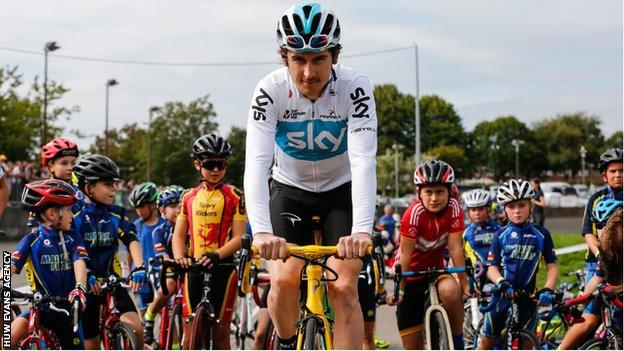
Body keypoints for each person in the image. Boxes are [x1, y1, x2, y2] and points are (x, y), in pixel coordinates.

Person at [243, 2, 378, 349]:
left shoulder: (355, 86)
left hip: (340, 192)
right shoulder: (269, 90)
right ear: (284, 57)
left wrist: (362, 229)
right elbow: (256, 165)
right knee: (284, 280)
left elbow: (363, 160)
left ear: (334, 55)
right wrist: (260, 233)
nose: (308, 72)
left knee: (344, 287)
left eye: (319, 58)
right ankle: (288, 343)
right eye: (297, 59)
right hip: (290, 191)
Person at [172, 133, 246, 350]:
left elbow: (240, 237)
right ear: (197, 165)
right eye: (210, 164)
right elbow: (179, 234)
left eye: (221, 164)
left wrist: (216, 254)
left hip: (223, 267)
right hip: (194, 267)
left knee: (221, 333)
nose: (216, 170)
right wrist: (179, 258)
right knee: (190, 334)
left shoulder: (235, 195)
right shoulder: (188, 197)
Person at [387, 160, 468, 350]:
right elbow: (405, 254)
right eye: (428, 192)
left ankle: (458, 343)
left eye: (439, 191)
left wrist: (464, 283)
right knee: (413, 346)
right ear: (419, 193)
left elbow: (456, 248)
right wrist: (400, 289)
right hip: (410, 272)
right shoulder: (413, 213)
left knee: (451, 290)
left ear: (449, 191)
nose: (434, 198)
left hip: (436, 269)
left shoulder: (455, 208)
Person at [71, 154, 146, 349]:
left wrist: (139, 267)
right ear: (88, 187)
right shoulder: (73, 213)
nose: (114, 188)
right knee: (91, 344)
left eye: (114, 182)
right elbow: (70, 249)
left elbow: (131, 239)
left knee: (137, 329)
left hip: (112, 279)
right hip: (87, 283)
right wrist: (86, 274)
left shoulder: (116, 212)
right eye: (107, 183)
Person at [479, 179, 559, 349]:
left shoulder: (542, 234)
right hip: (502, 296)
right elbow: (491, 268)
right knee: (487, 342)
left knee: (527, 344)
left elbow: (552, 266)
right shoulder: (500, 234)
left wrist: (548, 289)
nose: (516, 211)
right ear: (504, 209)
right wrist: (501, 282)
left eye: (521, 205)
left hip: (527, 298)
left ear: (531, 205)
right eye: (511, 206)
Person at [10, 179, 88, 349]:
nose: (71, 215)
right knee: (6, 340)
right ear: (52, 214)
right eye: (68, 210)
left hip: (67, 311)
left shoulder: (72, 238)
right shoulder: (31, 239)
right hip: (40, 309)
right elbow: (11, 264)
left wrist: (80, 287)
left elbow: (79, 261)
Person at [558, 198, 623, 350]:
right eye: (598, 226)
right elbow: (596, 279)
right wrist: (578, 302)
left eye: (605, 224)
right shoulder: (604, 255)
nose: (600, 231)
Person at [142, 185, 184, 346]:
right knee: (169, 286)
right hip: (165, 268)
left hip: (186, 269)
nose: (178, 210)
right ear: (162, 211)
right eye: (173, 206)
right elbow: (164, 256)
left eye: (181, 206)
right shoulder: (159, 232)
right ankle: (150, 316)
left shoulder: (190, 229)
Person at [581, 148, 622, 287]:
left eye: (622, 170)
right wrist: (600, 256)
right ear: (604, 176)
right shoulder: (595, 199)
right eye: (613, 171)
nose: (618, 175)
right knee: (589, 306)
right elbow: (588, 233)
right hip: (597, 262)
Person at [129, 181, 166, 318]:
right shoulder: (136, 225)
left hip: (160, 275)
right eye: (136, 207)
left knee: (165, 315)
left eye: (142, 206)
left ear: (153, 205)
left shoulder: (164, 224)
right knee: (143, 316)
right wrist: (128, 271)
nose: (138, 210)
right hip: (141, 277)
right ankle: (147, 339)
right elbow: (129, 250)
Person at [461, 188, 501, 288]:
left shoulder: (499, 229)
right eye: (473, 210)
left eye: (480, 209)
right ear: (468, 212)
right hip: (475, 276)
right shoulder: (465, 233)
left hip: (498, 274)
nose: (477, 213)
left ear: (488, 209)